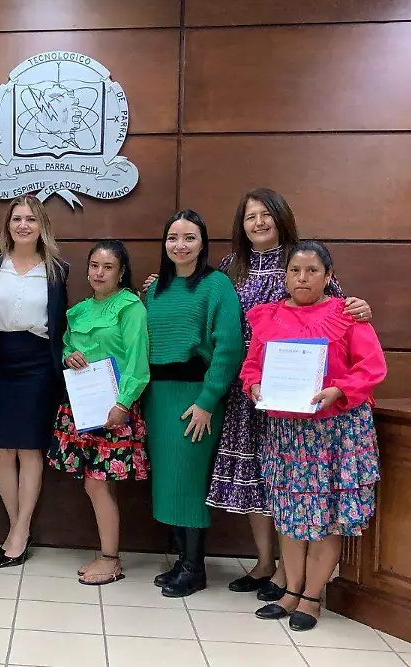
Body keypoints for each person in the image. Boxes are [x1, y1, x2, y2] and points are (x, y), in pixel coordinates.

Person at [144, 188, 375, 602]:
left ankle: (289, 573)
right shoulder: (232, 267)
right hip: (247, 388)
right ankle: (266, 563)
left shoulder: (300, 260)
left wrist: (360, 309)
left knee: (286, 478)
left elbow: (337, 311)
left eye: (266, 214)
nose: (259, 222)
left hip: (298, 393)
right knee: (254, 476)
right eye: (251, 216)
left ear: (281, 217)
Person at [242, 240, 386, 631]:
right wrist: (254, 385)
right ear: (285, 276)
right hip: (288, 433)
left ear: (328, 276)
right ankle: (291, 590)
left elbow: (371, 367)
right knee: (290, 514)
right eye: (295, 271)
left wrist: (339, 389)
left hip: (336, 431)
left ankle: (311, 597)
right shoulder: (269, 316)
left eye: (312, 271)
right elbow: (252, 367)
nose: (302, 278)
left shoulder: (347, 315)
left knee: (326, 516)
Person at [142, 210, 243, 598]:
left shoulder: (217, 285)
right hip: (158, 398)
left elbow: (229, 348)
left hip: (195, 399)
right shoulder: (156, 288)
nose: (180, 245)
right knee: (168, 480)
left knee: (188, 480)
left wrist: (207, 401)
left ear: (203, 243)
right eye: (173, 238)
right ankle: (182, 560)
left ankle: (194, 568)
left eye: (189, 238)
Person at [0, 194, 69, 568]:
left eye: (31, 219)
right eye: (17, 219)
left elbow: (62, 322)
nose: (23, 225)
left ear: (42, 226)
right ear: (7, 225)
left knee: (29, 449)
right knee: (0, 449)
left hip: (39, 365)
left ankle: (21, 530)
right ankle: (16, 526)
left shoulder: (58, 269)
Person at [48, 240, 149, 586]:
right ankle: (107, 553)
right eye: (94, 266)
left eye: (108, 267)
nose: (99, 273)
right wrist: (68, 356)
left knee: (97, 483)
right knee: (97, 482)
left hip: (114, 409)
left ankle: (110, 559)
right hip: (81, 406)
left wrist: (123, 404)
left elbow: (138, 362)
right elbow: (67, 346)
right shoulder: (78, 311)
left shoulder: (130, 307)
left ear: (121, 273)